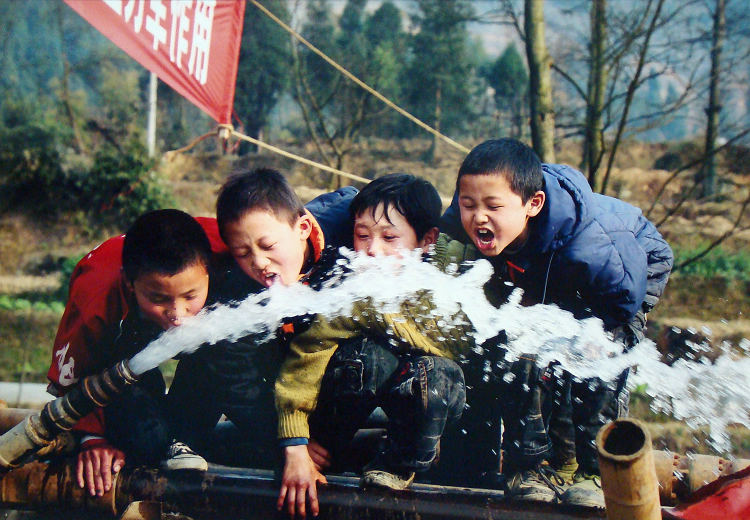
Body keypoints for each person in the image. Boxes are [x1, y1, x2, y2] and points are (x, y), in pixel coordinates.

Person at [439, 138, 674, 506]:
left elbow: (623, 300)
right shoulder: (461, 220)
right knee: (519, 349)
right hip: (545, 270)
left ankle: (597, 474)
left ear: (533, 204)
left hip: (628, 275)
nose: (477, 217)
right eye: (468, 204)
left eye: (492, 206)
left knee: (598, 354)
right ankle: (533, 467)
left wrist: (595, 333)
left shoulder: (591, 249)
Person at [276, 173, 476, 518]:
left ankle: (397, 464)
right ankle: (325, 452)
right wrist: (297, 440)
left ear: (427, 240)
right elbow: (307, 355)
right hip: (356, 409)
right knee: (366, 357)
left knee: (439, 373)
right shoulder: (354, 289)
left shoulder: (461, 274)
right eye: (362, 235)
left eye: (389, 237)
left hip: (432, 418)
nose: (371, 250)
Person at [49, 209, 216, 497]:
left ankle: (181, 437)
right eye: (159, 298)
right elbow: (69, 377)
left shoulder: (236, 246)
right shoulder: (96, 301)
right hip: (119, 346)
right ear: (129, 282)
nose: (177, 315)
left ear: (208, 270)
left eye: (190, 296)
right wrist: (92, 437)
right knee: (146, 442)